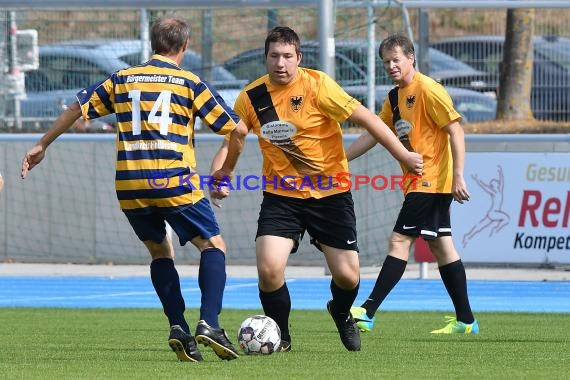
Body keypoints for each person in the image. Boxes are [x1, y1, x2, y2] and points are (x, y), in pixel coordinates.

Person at [21, 16, 248, 362]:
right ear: (184, 47)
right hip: (171, 179)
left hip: (130, 184)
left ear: (153, 45)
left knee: (160, 253)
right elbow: (239, 131)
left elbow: (76, 107)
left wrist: (42, 145)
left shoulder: (122, 79)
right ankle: (210, 324)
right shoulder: (189, 82)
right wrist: (225, 172)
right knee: (214, 245)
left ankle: (177, 327)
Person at [209, 26, 423, 352]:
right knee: (268, 269)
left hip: (331, 195)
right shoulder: (251, 96)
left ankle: (340, 311)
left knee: (349, 277)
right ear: (265, 58)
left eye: (287, 56)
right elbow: (231, 140)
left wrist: (404, 155)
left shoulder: (318, 85)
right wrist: (219, 175)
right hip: (282, 197)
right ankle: (280, 336)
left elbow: (371, 120)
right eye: (274, 56)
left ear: (299, 58)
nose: (280, 63)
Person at [346, 33, 478, 334]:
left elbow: (455, 131)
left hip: (431, 180)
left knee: (399, 241)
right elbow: (375, 133)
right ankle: (466, 321)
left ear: (411, 58)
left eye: (396, 60)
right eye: (386, 62)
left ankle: (367, 310)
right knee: (441, 246)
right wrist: (341, 160)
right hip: (419, 181)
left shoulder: (430, 90)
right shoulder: (394, 98)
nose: (391, 66)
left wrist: (458, 175)